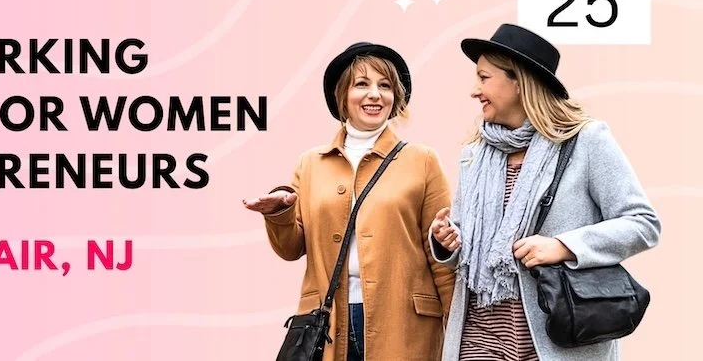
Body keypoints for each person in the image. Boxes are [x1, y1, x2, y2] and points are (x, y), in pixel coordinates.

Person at [429, 23, 662, 360]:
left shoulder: (586, 142)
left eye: (484, 78)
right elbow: (471, 247)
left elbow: (642, 224)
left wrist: (563, 247)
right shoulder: (474, 155)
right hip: (479, 340)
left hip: (555, 341)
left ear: (519, 83)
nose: (474, 91)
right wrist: (447, 240)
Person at [244, 42, 455, 361]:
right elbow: (291, 249)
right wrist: (279, 213)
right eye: (362, 84)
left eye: (385, 86)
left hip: (405, 327)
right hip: (329, 325)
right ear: (342, 94)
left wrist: (461, 328)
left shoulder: (422, 160)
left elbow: (440, 254)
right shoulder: (310, 163)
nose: (375, 95)